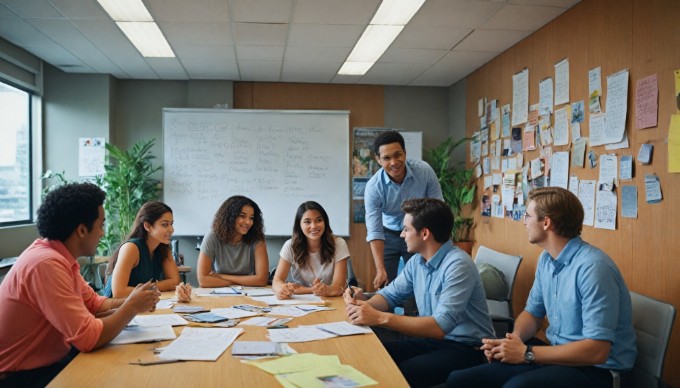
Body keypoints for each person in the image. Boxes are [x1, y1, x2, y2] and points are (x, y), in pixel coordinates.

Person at [448, 187, 637, 388]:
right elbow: (533, 313)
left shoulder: (593, 269)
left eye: (528, 215)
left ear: (546, 223)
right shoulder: (547, 259)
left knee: (515, 386)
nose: (524, 221)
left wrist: (526, 353)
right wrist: (513, 342)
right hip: (557, 354)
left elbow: (597, 351)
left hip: (598, 369)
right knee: (461, 380)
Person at [0, 183, 160, 387]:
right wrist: (131, 306)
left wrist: (133, 301)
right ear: (82, 230)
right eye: (101, 225)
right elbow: (88, 338)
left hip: (50, 362)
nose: (103, 233)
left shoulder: (59, 256)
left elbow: (94, 303)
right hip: (22, 377)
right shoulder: (46, 264)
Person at [344, 198, 494, 387]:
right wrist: (361, 302)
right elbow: (390, 295)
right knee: (376, 354)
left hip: (467, 348)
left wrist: (379, 318)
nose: (401, 235)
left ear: (424, 233)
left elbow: (440, 326)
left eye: (406, 229)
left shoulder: (458, 265)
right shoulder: (417, 261)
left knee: (404, 372)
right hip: (434, 341)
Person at [364, 130, 443, 289]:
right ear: (378, 160)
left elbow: (438, 209)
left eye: (397, 155)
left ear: (405, 153)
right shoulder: (373, 188)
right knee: (386, 285)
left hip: (417, 232)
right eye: (386, 158)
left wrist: (437, 248)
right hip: (387, 235)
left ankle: (414, 313)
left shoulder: (424, 171)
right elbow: (375, 231)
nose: (394, 162)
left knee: (418, 284)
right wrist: (380, 269)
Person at [103, 201, 189, 298]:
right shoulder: (131, 248)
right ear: (147, 226)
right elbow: (119, 292)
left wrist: (149, 288)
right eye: (165, 224)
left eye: (171, 224)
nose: (171, 229)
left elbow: (175, 282)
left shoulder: (163, 247)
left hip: (140, 305)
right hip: (116, 308)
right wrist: (157, 287)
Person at [273, 201, 349, 299]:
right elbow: (277, 281)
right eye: (307, 222)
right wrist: (280, 289)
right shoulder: (290, 246)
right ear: (299, 225)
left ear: (325, 222)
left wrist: (323, 289)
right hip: (299, 301)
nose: (314, 226)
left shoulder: (339, 244)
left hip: (331, 300)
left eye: (319, 220)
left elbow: (339, 287)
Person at [197, 195, 269, 287]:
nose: (248, 222)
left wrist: (221, 276)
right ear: (229, 217)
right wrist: (236, 283)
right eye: (242, 216)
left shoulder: (257, 238)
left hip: (250, 293)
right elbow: (203, 280)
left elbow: (262, 279)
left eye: (251, 218)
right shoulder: (213, 236)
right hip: (221, 293)